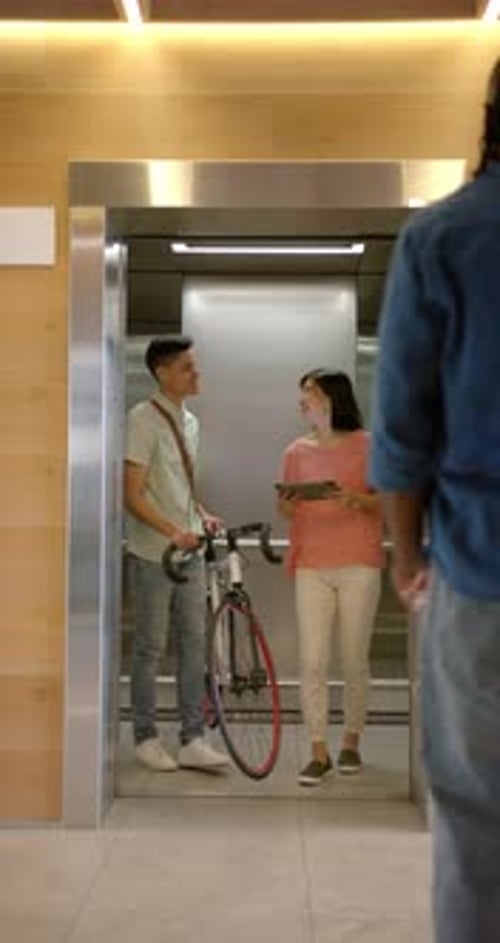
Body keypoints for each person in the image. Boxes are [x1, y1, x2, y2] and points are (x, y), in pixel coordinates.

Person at [370, 58, 500, 943]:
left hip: (482, 571)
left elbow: (404, 433)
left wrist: (406, 558)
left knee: (477, 823)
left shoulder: (449, 237)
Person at [124, 334, 229, 772]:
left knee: (193, 645)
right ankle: (145, 737)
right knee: (149, 648)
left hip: (189, 552)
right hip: (153, 554)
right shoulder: (142, 419)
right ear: (162, 372)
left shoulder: (191, 422)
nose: (196, 373)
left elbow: (178, 487)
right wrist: (172, 531)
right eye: (187, 367)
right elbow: (131, 494)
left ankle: (192, 739)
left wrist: (199, 515)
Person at [278, 369, 384, 787]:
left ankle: (351, 743)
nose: (302, 401)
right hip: (311, 563)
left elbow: (390, 501)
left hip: (359, 561)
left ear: (332, 399)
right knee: (312, 661)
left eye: (309, 393)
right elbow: (285, 511)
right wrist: (289, 502)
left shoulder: (370, 445)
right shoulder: (295, 451)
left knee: (354, 659)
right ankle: (318, 751)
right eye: (302, 393)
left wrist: (358, 499)